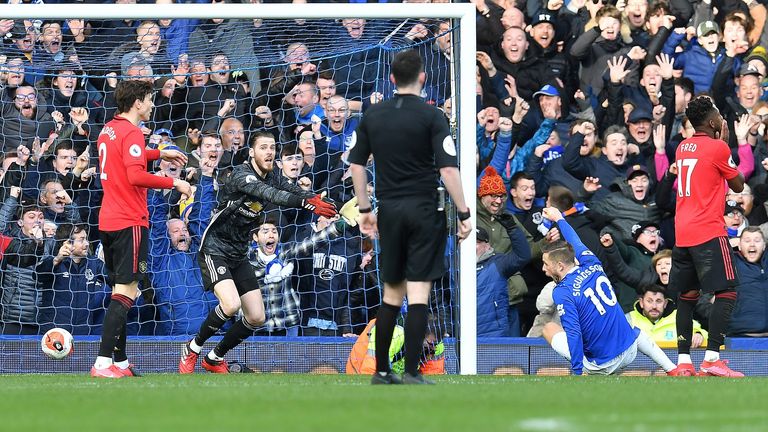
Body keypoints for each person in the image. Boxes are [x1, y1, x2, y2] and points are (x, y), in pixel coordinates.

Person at [348, 50, 472, 385]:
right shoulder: (432, 117)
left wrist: (364, 210)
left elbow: (356, 164)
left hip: (389, 210)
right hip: (423, 210)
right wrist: (463, 212)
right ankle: (414, 372)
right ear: (422, 78)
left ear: (391, 79)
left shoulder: (374, 115)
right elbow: (448, 168)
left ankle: (381, 370)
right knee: (418, 294)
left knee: (391, 294)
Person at [178, 131, 337, 374]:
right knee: (230, 305)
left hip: (239, 252)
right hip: (215, 248)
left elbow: (291, 189)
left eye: (272, 147)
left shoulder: (273, 173)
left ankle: (214, 357)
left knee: (256, 317)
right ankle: (193, 347)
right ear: (251, 152)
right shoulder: (242, 175)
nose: (269, 152)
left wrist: (316, 199)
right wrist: (305, 203)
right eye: (263, 147)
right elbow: (272, 195)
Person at [92, 79, 192, 378]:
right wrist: (175, 181)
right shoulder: (133, 131)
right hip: (130, 221)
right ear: (137, 102)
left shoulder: (109, 129)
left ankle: (120, 362)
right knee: (127, 292)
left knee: (120, 292)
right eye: (149, 100)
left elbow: (129, 156)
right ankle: (101, 363)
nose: (151, 105)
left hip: (108, 220)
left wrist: (159, 153)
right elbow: (135, 175)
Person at [539, 207, 681, 376]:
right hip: (630, 350)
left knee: (549, 328)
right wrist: (559, 218)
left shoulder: (562, 291)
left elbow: (573, 333)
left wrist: (577, 371)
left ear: (560, 266)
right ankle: (672, 368)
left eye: (546, 264)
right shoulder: (592, 262)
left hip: (601, 364)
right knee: (633, 330)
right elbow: (575, 241)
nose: (544, 268)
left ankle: (587, 372)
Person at [669, 96, 746, 377]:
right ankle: (713, 357)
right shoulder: (718, 147)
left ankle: (683, 362)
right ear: (713, 121)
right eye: (718, 116)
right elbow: (738, 185)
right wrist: (725, 143)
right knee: (727, 291)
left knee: (687, 298)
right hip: (709, 231)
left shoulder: (682, 147)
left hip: (683, 232)